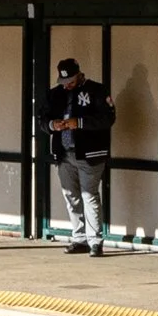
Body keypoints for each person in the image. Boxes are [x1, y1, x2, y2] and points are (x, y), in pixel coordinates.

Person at [45, 57, 115, 257]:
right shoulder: (55, 94)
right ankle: (80, 238)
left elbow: (108, 117)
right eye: (64, 82)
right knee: (71, 196)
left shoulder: (97, 91)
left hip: (90, 154)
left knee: (89, 195)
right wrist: (53, 125)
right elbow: (43, 118)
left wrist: (80, 123)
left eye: (71, 82)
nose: (67, 86)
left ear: (80, 75)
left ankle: (95, 241)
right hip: (64, 153)